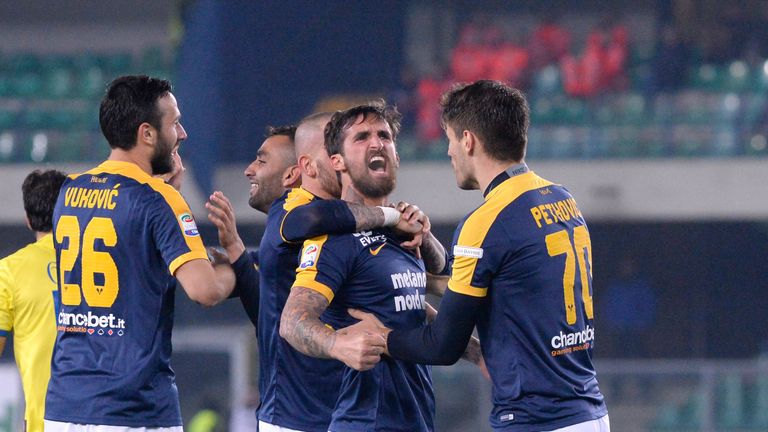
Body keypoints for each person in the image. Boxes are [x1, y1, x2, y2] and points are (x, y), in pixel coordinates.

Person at [354, 80, 610, 431]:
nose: (449, 152)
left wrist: (382, 337)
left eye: (450, 139)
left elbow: (443, 345)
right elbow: (512, 286)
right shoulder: (562, 199)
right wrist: (423, 281)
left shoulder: (486, 222)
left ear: (469, 141)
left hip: (536, 419)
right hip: (589, 411)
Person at [206, 113, 427, 432]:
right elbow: (308, 224)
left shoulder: (355, 227)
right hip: (297, 417)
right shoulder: (291, 211)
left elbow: (407, 294)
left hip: (349, 411)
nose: (345, 158)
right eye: (336, 147)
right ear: (303, 169)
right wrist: (390, 215)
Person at [45, 75, 236, 431]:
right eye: (175, 123)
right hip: (133, 409)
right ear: (147, 134)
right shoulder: (158, 200)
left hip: (64, 405)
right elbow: (204, 290)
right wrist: (237, 268)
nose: (182, 134)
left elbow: (127, 251)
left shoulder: (68, 192)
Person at [280, 102, 446, 432]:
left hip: (416, 419)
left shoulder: (402, 235)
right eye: (361, 137)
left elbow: (409, 307)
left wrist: (478, 354)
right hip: (365, 421)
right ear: (336, 162)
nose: (376, 142)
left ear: (397, 156)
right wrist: (336, 344)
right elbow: (292, 322)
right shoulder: (334, 239)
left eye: (384, 135)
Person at [0, 169, 67, 432]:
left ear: (28, 220)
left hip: (45, 421)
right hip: (103, 417)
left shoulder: (9, 271)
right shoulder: (99, 265)